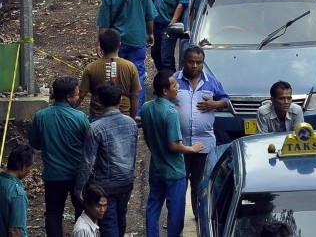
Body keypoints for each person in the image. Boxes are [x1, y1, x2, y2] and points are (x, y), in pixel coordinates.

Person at [142, 70, 203, 237]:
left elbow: (147, 137)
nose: (177, 88)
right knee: (175, 212)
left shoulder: (147, 108)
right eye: (175, 86)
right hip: (174, 171)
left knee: (153, 206)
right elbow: (174, 145)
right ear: (165, 91)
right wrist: (192, 149)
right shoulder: (171, 113)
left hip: (156, 167)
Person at [75, 81, 138, 237]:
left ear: (99, 101)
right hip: (126, 182)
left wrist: (79, 188)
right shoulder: (131, 123)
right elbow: (133, 153)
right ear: (121, 100)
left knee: (109, 225)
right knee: (121, 220)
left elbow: (88, 162)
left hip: (104, 186)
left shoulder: (95, 128)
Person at [29, 77, 90, 237]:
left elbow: (35, 143)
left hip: (53, 174)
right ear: (68, 97)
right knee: (81, 212)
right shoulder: (80, 117)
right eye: (77, 94)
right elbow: (89, 145)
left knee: (53, 214)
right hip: (77, 174)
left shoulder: (40, 116)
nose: (78, 97)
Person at [174, 45, 230, 217]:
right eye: (191, 62)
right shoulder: (174, 80)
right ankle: (175, 217)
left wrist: (215, 104)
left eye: (199, 62)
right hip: (180, 142)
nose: (194, 66)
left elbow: (226, 101)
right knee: (178, 183)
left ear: (203, 63)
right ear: (184, 61)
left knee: (200, 182)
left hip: (204, 143)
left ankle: (200, 216)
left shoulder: (211, 81)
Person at [96, 0, 156, 111]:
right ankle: (137, 111)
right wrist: (150, 34)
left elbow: (103, 24)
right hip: (137, 39)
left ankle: (117, 108)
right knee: (138, 74)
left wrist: (101, 43)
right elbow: (149, 16)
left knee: (115, 75)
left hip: (117, 44)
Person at [78, 29, 141, 119]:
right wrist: (132, 118)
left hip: (97, 115)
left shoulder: (90, 67)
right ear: (119, 44)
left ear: (101, 46)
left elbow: (81, 95)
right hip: (123, 114)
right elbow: (135, 95)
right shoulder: (130, 66)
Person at [0, 144, 35, 237]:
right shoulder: (17, 194)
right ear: (23, 167)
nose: (30, 170)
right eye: (30, 167)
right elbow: (14, 230)